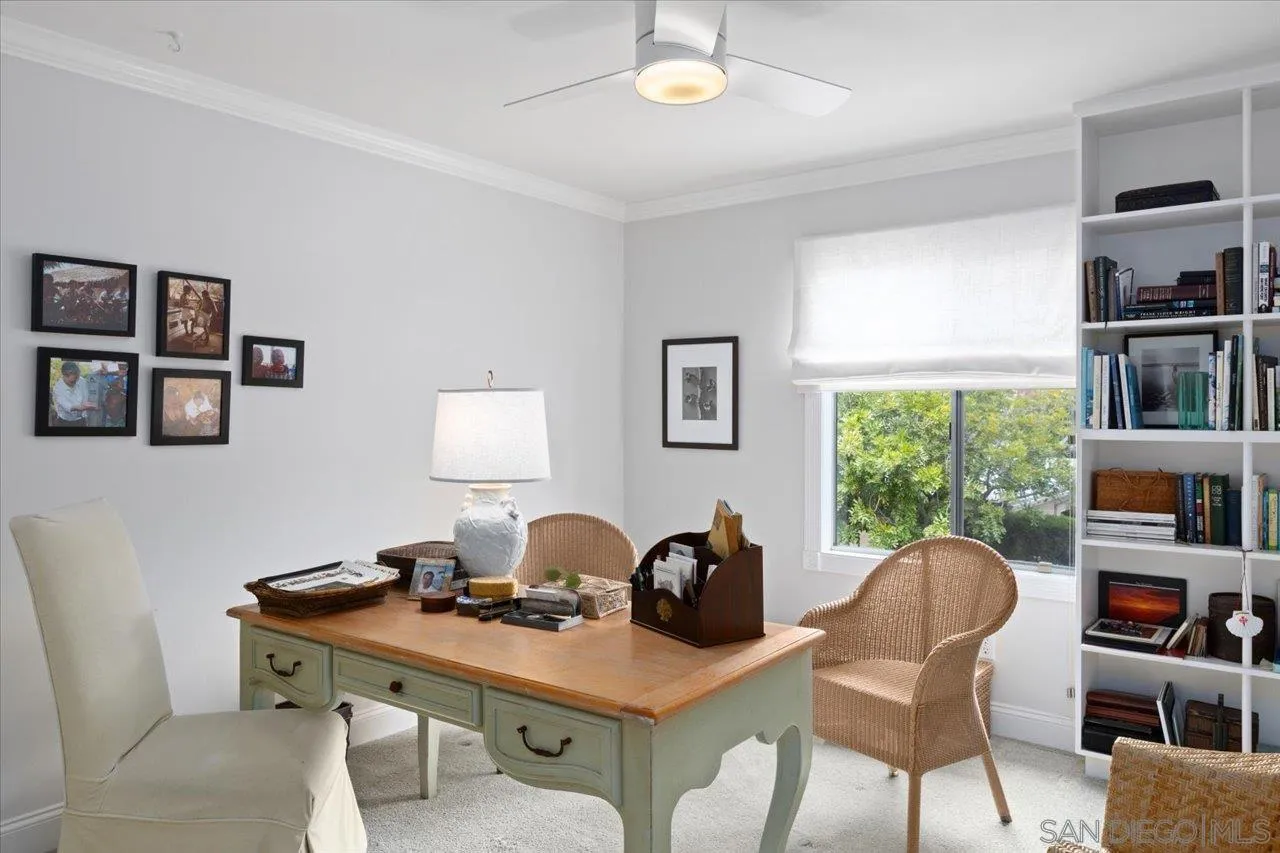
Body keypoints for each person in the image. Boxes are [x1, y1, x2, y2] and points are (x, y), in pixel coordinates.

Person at [51, 361, 97, 426]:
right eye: (72, 381)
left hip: (82, 420)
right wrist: (81, 407)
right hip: (65, 422)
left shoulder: (82, 381)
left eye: (77, 379)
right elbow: (67, 407)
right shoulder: (58, 388)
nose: (75, 382)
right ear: (64, 376)